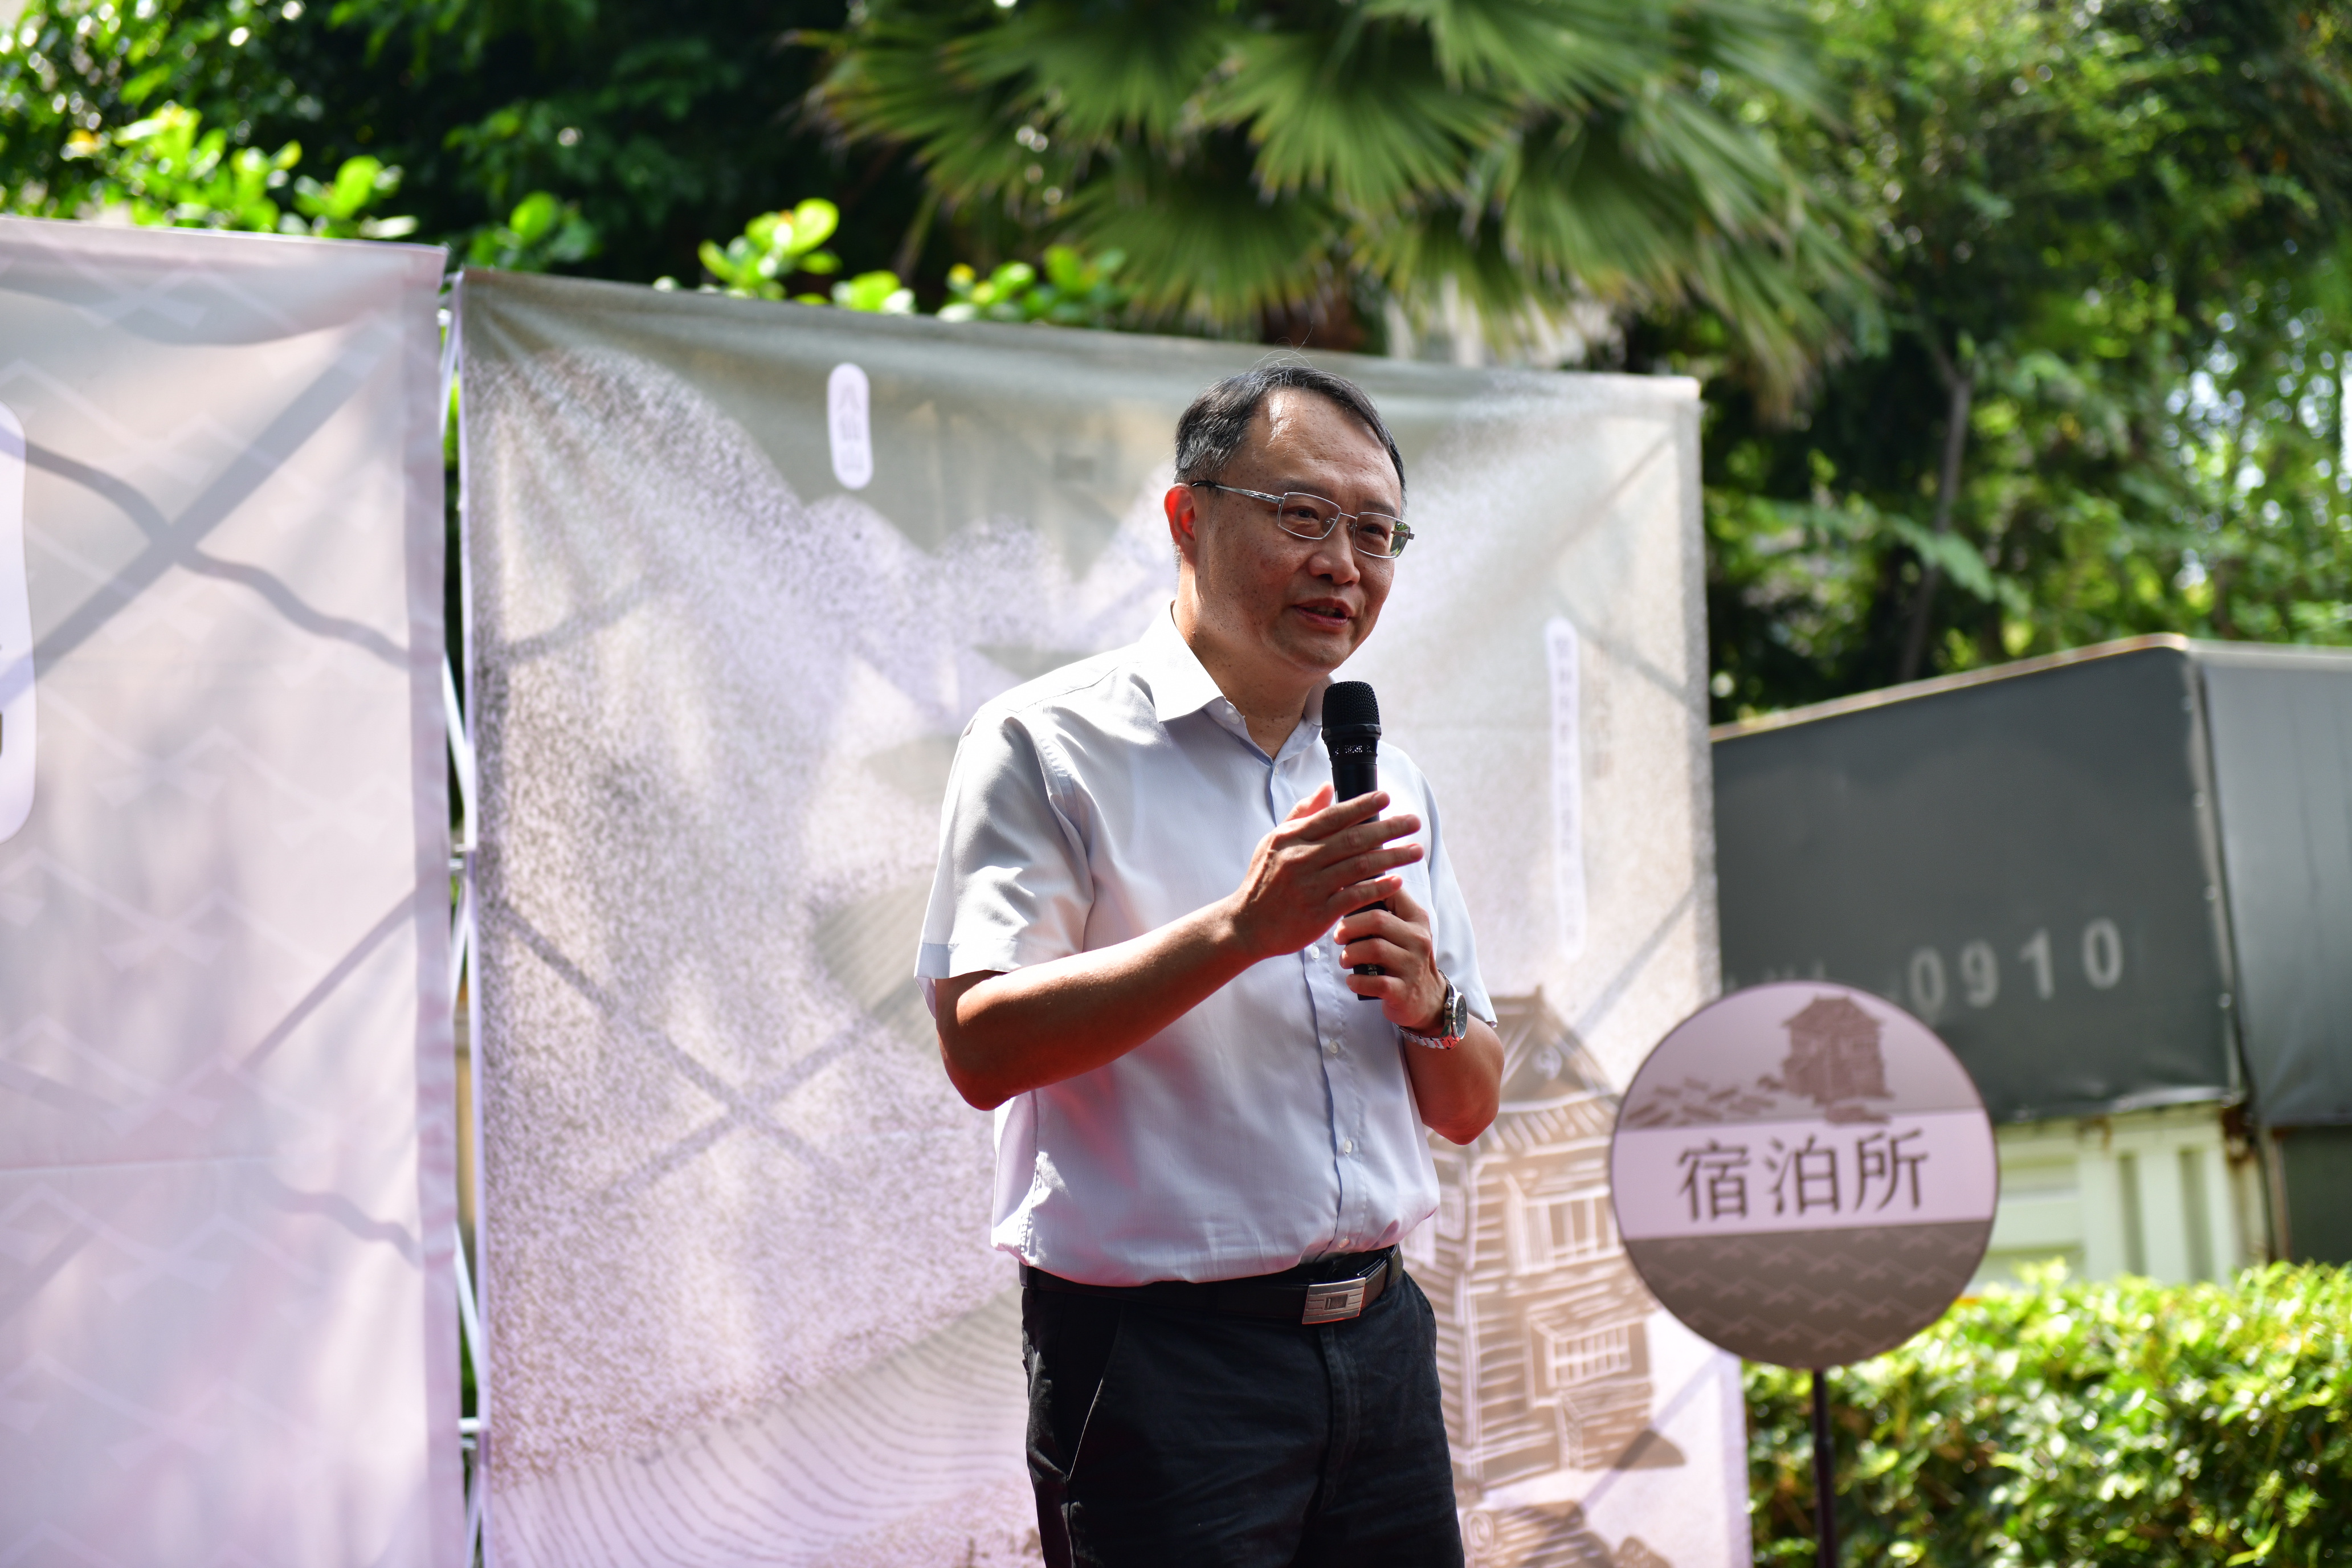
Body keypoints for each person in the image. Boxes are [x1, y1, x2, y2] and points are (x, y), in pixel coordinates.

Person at [917, 363, 1505, 1566]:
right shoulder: (1046, 744)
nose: (1344, 562)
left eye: (1376, 532)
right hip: (1159, 1368)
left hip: (1382, 1345)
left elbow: (1467, 1103)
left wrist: (1428, 1002)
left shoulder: (1388, 776)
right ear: (1188, 518)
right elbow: (981, 1046)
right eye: (1304, 515)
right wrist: (1240, 929)